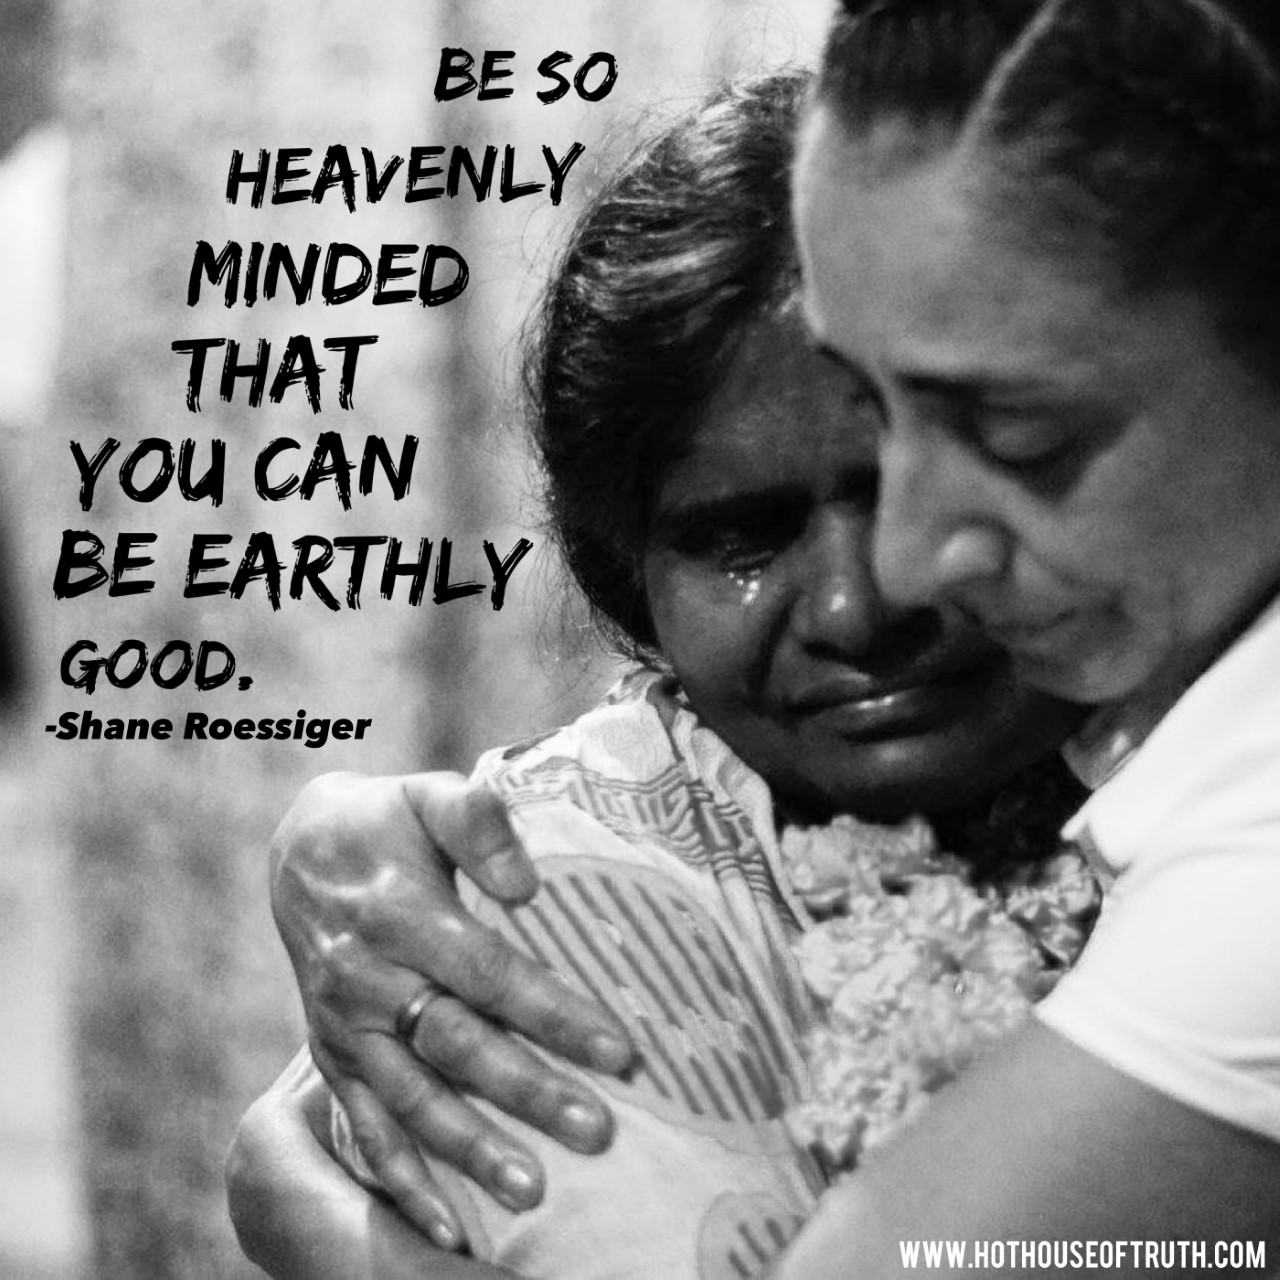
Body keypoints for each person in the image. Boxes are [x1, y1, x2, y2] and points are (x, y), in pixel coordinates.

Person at [249, 0, 1280, 1271]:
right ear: (625, 570)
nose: (873, 590)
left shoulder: (1232, 815)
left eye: (1011, 439)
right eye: (741, 537)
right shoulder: (548, 877)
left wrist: (297, 1204)